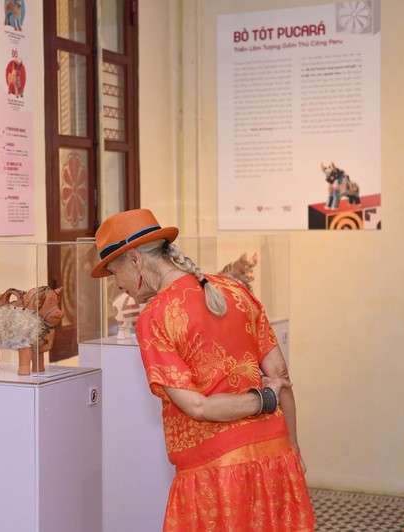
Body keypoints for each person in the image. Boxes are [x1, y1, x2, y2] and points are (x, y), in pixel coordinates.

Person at [91, 209, 315, 531]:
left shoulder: (154, 317)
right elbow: (282, 377)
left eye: (114, 273)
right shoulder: (236, 290)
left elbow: (197, 406)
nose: (119, 286)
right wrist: (292, 446)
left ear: (136, 261)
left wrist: (262, 399)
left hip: (218, 472)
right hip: (274, 453)